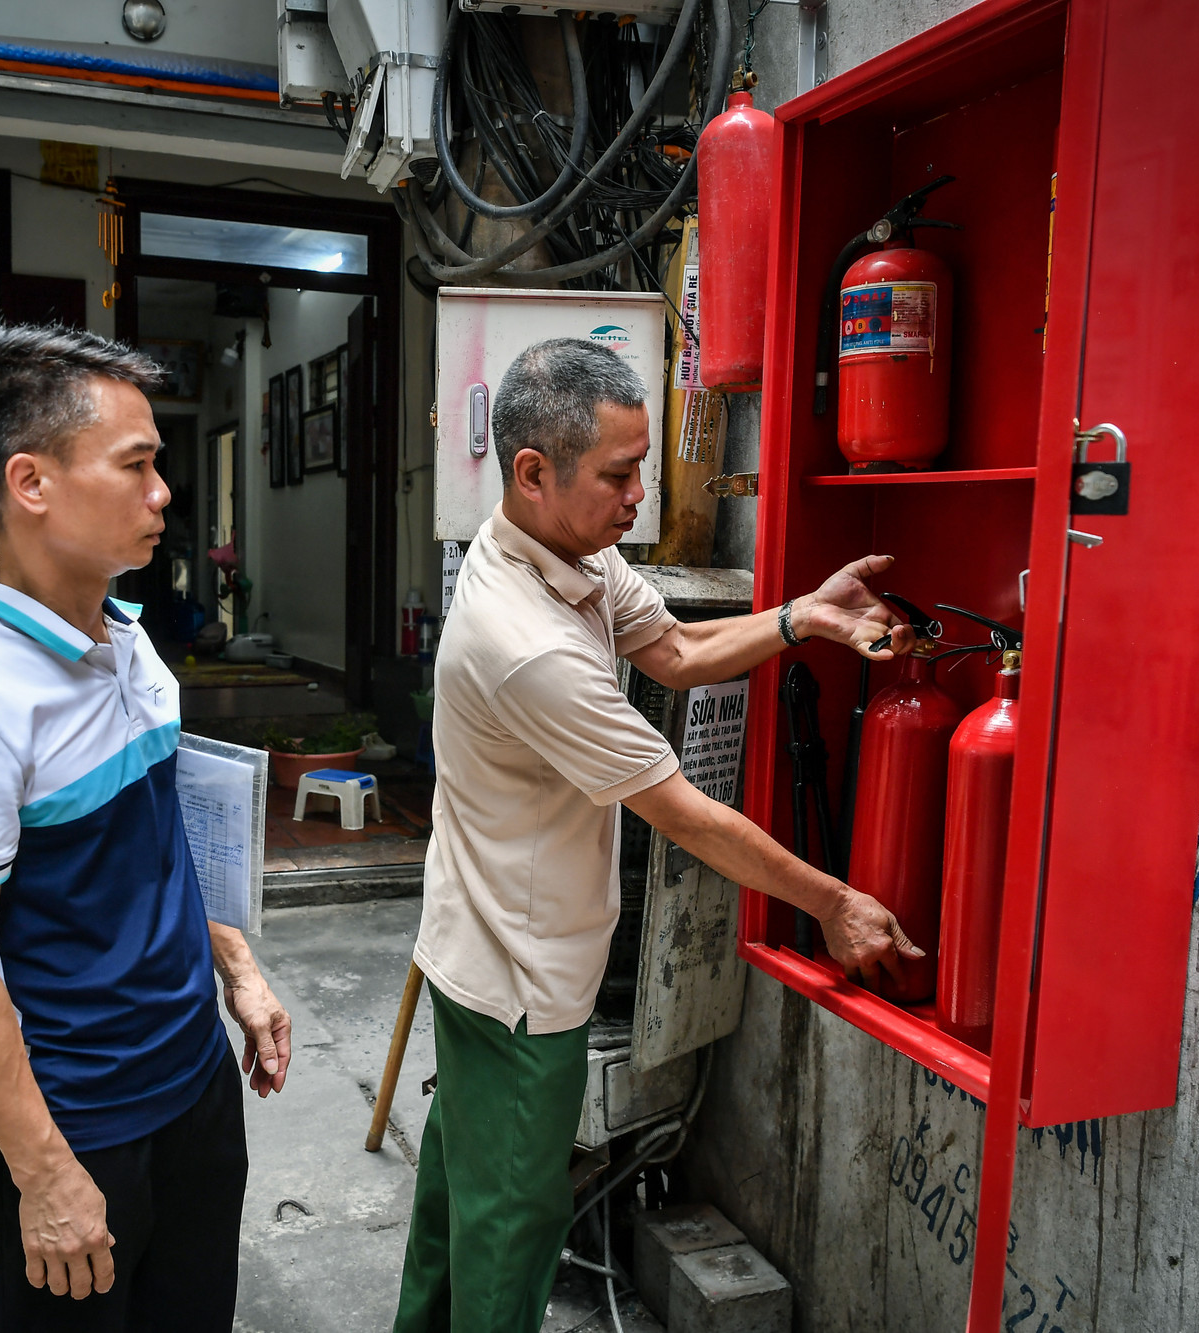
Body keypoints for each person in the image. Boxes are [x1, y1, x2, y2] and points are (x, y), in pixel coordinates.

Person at [393, 339, 925, 1333]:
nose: (641, 493)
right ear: (531, 472)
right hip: (517, 989)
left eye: (642, 467)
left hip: (473, 943)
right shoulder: (527, 644)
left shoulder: (567, 555)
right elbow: (680, 813)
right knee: (507, 1244)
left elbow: (677, 650)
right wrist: (833, 901)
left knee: (451, 1219)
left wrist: (797, 615)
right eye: (616, 474)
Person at [0, 325, 293, 1332]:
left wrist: (235, 968)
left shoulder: (128, 638)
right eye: (135, 465)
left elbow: (162, 841)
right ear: (31, 483)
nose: (161, 493)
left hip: (191, 1083)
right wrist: (44, 1176)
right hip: (71, 1122)